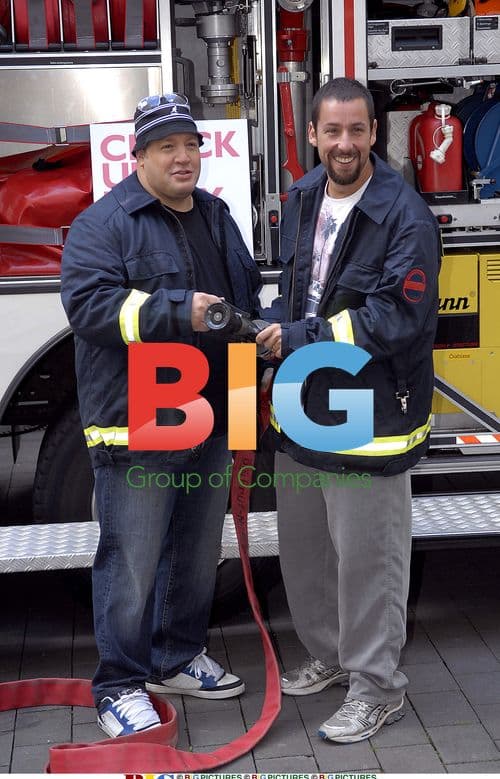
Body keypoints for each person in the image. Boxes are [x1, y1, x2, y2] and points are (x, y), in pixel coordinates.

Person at [61, 93, 263, 737]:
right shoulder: (105, 224)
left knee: (196, 550)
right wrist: (177, 310)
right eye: (166, 147)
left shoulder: (215, 213)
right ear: (139, 155)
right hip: (138, 420)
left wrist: (241, 407)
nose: (183, 158)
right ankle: (119, 683)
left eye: (191, 146)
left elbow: (238, 304)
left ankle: (176, 656)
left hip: (207, 413)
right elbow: (90, 309)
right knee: (133, 557)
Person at [256, 77, 440, 744]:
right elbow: (299, 289)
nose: (344, 143)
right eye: (331, 131)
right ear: (311, 134)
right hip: (305, 402)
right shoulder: (303, 198)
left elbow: (398, 317)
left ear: (374, 135)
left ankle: (378, 686)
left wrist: (301, 337)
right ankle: (332, 657)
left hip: (371, 413)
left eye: (357, 130)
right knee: (306, 549)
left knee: (368, 558)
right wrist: (270, 326)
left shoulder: (404, 215)